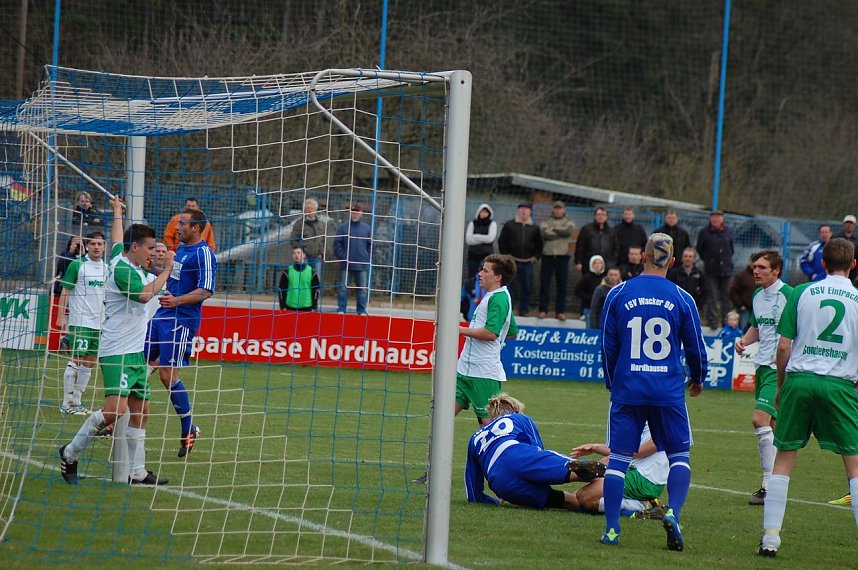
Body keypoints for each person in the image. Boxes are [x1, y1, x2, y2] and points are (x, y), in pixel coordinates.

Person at [599, 233, 707, 550]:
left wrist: (613, 382)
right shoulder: (682, 298)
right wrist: (698, 377)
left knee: (618, 460)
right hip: (667, 392)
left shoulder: (618, 294)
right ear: (672, 261)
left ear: (643, 257)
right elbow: (695, 347)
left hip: (628, 390)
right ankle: (673, 512)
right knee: (679, 455)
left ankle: (612, 530)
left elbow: (607, 346)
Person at [59, 209, 176, 486]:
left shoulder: (124, 261)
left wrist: (116, 212)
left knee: (142, 411)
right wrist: (167, 271)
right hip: (117, 351)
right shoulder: (123, 270)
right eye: (150, 248)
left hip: (135, 352)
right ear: (135, 247)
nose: (153, 253)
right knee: (115, 410)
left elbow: (116, 239)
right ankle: (70, 452)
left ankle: (137, 472)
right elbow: (144, 295)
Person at [759, 238, 858, 557]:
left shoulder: (801, 292)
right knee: (854, 465)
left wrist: (780, 386)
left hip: (799, 381)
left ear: (823, 264)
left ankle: (770, 539)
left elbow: (783, 346)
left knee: (784, 459)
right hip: (840, 385)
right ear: (853, 265)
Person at [146, 208, 216, 458]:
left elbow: (206, 291)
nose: (177, 228)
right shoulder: (181, 251)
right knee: (138, 362)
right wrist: (156, 270)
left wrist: (177, 301)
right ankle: (116, 418)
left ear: (195, 228)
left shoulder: (204, 254)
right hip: (161, 314)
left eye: (182, 224)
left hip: (181, 320)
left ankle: (188, 429)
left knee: (167, 376)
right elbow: (172, 280)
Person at [465, 393, 606, 510]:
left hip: (500, 482)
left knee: (563, 501)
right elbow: (537, 448)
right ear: (515, 410)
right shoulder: (519, 417)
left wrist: (496, 500)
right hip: (519, 456)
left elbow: (473, 492)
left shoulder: (475, 438)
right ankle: (611, 472)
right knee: (574, 468)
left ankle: (601, 505)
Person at [56, 200, 125, 414]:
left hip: (99, 323)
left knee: (89, 363)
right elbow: (65, 290)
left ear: (104, 247)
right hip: (80, 320)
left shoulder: (107, 268)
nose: (96, 247)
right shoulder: (78, 265)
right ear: (87, 246)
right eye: (93, 244)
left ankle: (77, 401)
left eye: (100, 244)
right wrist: (61, 316)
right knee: (76, 360)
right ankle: (66, 403)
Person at [734, 250, 792, 507]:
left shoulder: (790, 295)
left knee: (759, 419)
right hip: (761, 367)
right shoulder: (758, 295)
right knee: (778, 430)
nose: (755, 271)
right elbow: (758, 327)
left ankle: (768, 486)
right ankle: (779, 485)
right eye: (754, 267)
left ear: (776, 270)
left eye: (761, 267)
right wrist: (744, 341)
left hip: (779, 368)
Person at [456, 254, 518, 426]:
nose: (480, 274)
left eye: (485, 270)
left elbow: (491, 333)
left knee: (490, 428)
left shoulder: (499, 298)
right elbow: (512, 331)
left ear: (498, 277)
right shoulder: (495, 296)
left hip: (483, 374)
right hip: (463, 370)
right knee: (440, 415)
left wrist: (460, 330)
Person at [569, 422, 670, 519]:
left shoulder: (661, 413)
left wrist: (617, 456)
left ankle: (642, 506)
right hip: (631, 470)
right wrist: (595, 447)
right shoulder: (640, 415)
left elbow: (654, 444)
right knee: (574, 499)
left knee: (586, 496)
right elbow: (626, 447)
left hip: (646, 478)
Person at [497, 203, 542, 316]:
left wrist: (536, 257)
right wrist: (506, 256)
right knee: (509, 287)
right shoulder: (509, 225)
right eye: (521, 209)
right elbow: (502, 241)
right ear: (518, 211)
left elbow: (539, 245)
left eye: (526, 209)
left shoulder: (535, 227)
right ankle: (508, 310)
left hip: (527, 263)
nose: (523, 211)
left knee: (526, 287)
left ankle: (524, 309)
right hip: (511, 262)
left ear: (530, 212)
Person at [696, 209, 734, 330]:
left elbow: (731, 249)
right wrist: (709, 261)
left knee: (727, 298)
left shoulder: (728, 232)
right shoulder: (704, 233)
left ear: (722, 219)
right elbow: (700, 249)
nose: (715, 219)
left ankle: (727, 322)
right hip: (711, 271)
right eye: (713, 217)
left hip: (727, 270)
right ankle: (712, 322)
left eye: (718, 217)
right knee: (712, 297)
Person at [538, 200, 574, 320]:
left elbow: (567, 231)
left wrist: (553, 229)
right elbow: (544, 234)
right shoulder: (545, 221)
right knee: (544, 284)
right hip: (547, 256)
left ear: (564, 210)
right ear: (553, 210)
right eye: (556, 208)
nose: (558, 211)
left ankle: (560, 311)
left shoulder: (569, 222)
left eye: (560, 208)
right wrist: (560, 232)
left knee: (562, 285)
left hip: (563, 257)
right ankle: (543, 310)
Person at [333, 204, 372, 315]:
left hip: (362, 264)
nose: (354, 213)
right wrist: (343, 256)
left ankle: (361, 310)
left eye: (357, 211)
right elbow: (337, 244)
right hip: (346, 264)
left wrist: (367, 257)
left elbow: (371, 245)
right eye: (353, 211)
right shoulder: (343, 227)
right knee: (342, 288)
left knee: (362, 289)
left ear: (361, 213)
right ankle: (341, 309)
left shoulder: (367, 228)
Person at [290, 197, 330, 277]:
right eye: (308, 208)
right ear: (304, 210)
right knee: (303, 277)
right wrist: (300, 252)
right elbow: (293, 239)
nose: (310, 210)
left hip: (317, 257)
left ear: (316, 210)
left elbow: (325, 240)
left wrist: (322, 252)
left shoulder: (322, 224)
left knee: (316, 278)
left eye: (312, 208)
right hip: (304, 257)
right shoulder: (299, 224)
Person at [575, 206, 618, 273]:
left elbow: (616, 247)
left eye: (603, 215)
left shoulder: (612, 231)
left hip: (606, 265)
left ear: (606, 217)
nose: (601, 217)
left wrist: (613, 262)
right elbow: (580, 246)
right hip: (588, 264)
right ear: (595, 216)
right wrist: (578, 261)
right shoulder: (586, 229)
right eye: (599, 214)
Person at [279, 245, 320, 311]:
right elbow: (281, 290)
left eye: (298, 253)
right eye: (294, 253)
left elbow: (316, 290)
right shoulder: (287, 271)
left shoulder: (312, 271)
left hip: (307, 307)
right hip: (290, 307)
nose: (296, 255)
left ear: (304, 255)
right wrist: (282, 306)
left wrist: (314, 307)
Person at [667, 247, 706, 312]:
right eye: (686, 256)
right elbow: (669, 290)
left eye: (690, 257)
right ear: (682, 258)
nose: (688, 259)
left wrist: (699, 305)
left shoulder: (699, 274)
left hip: (694, 307)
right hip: (677, 306)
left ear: (694, 259)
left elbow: (704, 291)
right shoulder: (674, 273)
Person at [465, 203, 497, 280]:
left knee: (485, 276)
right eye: (482, 211)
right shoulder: (472, 223)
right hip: (473, 255)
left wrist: (475, 236)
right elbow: (469, 240)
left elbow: (490, 238)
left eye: (486, 212)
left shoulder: (492, 224)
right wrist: (483, 239)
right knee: (472, 277)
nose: (483, 214)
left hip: (486, 255)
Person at [574, 255, 605, 322]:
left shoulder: (605, 278)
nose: (597, 265)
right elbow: (577, 291)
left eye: (599, 263)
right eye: (595, 263)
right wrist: (588, 298)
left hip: (602, 309)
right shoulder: (587, 277)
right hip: (588, 308)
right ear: (591, 264)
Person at [729, 261, 755, 331]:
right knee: (743, 329)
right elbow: (733, 291)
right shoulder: (741, 275)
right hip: (744, 309)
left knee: (756, 330)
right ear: (750, 262)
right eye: (753, 262)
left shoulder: (762, 276)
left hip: (757, 309)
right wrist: (740, 304)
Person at [837, 214, 858, 282]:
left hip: (854, 273)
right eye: (847, 223)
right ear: (844, 224)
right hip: (839, 270)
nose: (849, 225)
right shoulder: (836, 238)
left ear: (854, 225)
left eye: (851, 223)